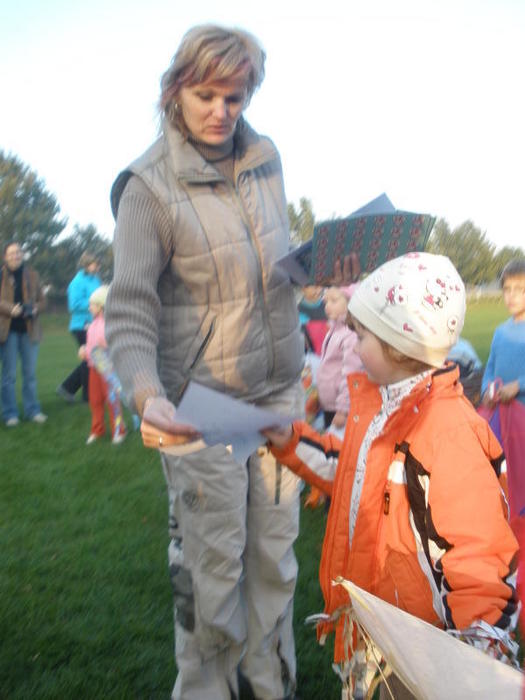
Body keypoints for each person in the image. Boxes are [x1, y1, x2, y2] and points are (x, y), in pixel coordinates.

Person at [105, 24, 307, 700]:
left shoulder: (266, 160)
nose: (221, 111)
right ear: (175, 89)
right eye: (206, 95)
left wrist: (316, 269)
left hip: (278, 398)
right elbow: (129, 308)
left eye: (235, 96)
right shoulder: (147, 189)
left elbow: (268, 268)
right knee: (213, 578)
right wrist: (146, 392)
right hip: (202, 411)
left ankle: (270, 688)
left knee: (275, 566)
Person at [264, 252, 519, 698]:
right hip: (382, 627)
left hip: (424, 647)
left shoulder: (449, 433)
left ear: (398, 346)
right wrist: (289, 439)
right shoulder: (383, 408)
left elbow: (477, 558)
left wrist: (475, 660)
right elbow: (350, 470)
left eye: (361, 335)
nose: (352, 342)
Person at [481, 258, 525, 518]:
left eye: (520, 289)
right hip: (500, 418)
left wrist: (519, 384)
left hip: (522, 421)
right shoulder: (500, 331)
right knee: (501, 473)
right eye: (507, 289)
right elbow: (490, 368)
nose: (511, 295)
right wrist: (487, 389)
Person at [0, 242, 47, 426]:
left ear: (22, 254)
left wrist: (35, 308)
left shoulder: (33, 275)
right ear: (5, 257)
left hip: (30, 331)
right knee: (9, 376)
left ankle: (32, 410)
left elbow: (43, 301)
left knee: (30, 375)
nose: (16, 255)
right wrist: (10, 308)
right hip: (8, 332)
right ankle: (10, 413)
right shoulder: (1, 275)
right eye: (11, 253)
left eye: (18, 252)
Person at [79, 285, 126, 445]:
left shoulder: (110, 324)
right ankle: (97, 430)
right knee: (95, 400)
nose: (89, 307)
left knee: (112, 400)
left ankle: (119, 431)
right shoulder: (92, 325)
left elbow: (111, 344)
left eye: (92, 304)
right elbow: (91, 346)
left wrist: (101, 347)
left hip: (106, 366)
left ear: (101, 306)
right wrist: (84, 350)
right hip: (93, 367)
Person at [56, 252, 101, 403]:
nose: (98, 266)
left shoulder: (96, 279)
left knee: (92, 358)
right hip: (81, 325)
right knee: (90, 359)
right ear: (86, 265)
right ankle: (87, 397)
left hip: (96, 325)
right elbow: (73, 305)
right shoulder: (77, 282)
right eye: (95, 264)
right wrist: (94, 303)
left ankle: (67, 388)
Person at [316, 284, 361, 432]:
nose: (327, 306)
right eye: (326, 301)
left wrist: (343, 409)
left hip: (340, 408)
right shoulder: (334, 330)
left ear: (350, 302)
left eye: (334, 301)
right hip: (329, 405)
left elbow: (351, 374)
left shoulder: (351, 334)